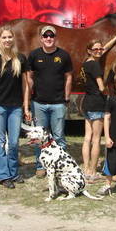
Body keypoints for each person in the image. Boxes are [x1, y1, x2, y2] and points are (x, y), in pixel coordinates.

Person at [80, 28, 116, 183]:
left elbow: (103, 48)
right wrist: (110, 87)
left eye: (100, 48)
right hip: (97, 103)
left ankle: (86, 168)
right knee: (96, 140)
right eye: (95, 49)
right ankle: (93, 171)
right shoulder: (95, 66)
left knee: (87, 138)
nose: (99, 51)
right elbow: (101, 87)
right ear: (89, 50)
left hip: (86, 103)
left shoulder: (86, 63)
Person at [0, 25, 31, 189]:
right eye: (4, 37)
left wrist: (26, 106)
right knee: (0, 142)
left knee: (13, 143)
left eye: (9, 37)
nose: (7, 40)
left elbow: (25, 85)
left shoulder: (20, 59)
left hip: (15, 107)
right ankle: (3, 175)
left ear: (13, 39)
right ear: (0, 39)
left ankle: (13, 173)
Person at [28, 25, 73, 178]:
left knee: (59, 136)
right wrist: (28, 98)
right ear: (41, 38)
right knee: (39, 136)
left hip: (58, 103)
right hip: (38, 103)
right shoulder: (34, 55)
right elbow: (29, 77)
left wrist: (66, 98)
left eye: (51, 36)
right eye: (45, 36)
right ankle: (40, 165)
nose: (48, 38)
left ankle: (61, 164)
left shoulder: (64, 55)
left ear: (55, 38)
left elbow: (68, 77)